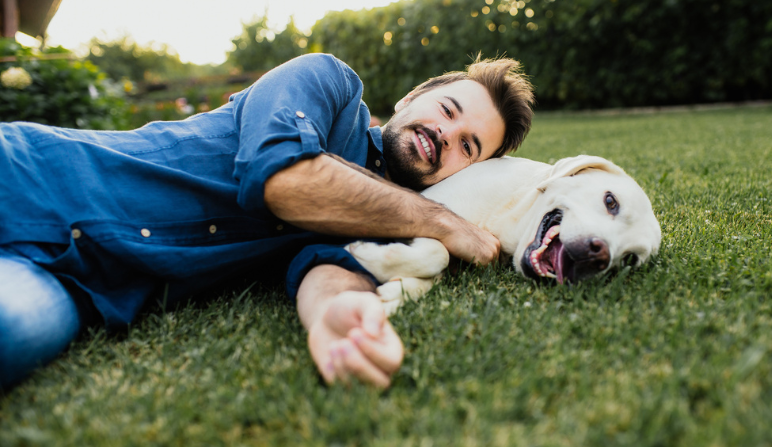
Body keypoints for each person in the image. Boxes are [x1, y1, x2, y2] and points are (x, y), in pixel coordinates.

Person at [0, 53, 534, 389]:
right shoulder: (328, 83)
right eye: (447, 109)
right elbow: (285, 179)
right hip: (30, 175)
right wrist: (443, 221)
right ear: (411, 97)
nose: (447, 134)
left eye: (469, 146)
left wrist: (336, 312)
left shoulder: (386, 225)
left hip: (83, 287)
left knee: (13, 330)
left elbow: (326, 266)